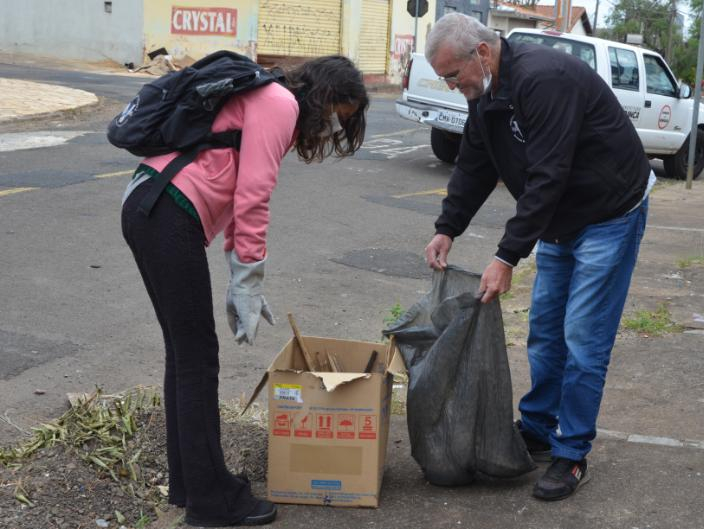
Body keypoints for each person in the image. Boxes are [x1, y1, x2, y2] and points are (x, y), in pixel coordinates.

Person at [120, 55, 368, 526]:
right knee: (198, 361)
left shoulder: (266, 96)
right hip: (168, 210)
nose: (334, 128)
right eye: (338, 115)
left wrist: (242, 274)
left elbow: (235, 195)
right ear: (324, 96)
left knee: (185, 355)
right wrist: (249, 277)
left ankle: (191, 486)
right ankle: (212, 503)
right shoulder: (278, 103)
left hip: (149, 204)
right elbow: (254, 195)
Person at [423, 14, 655, 501]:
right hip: (559, 220)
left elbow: (548, 175)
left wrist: (506, 257)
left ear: (481, 55)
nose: (450, 86)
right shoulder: (484, 93)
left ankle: (571, 453)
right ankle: (538, 427)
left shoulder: (543, 79)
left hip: (608, 212)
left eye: (451, 75)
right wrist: (448, 227)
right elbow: (476, 162)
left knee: (583, 339)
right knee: (546, 331)